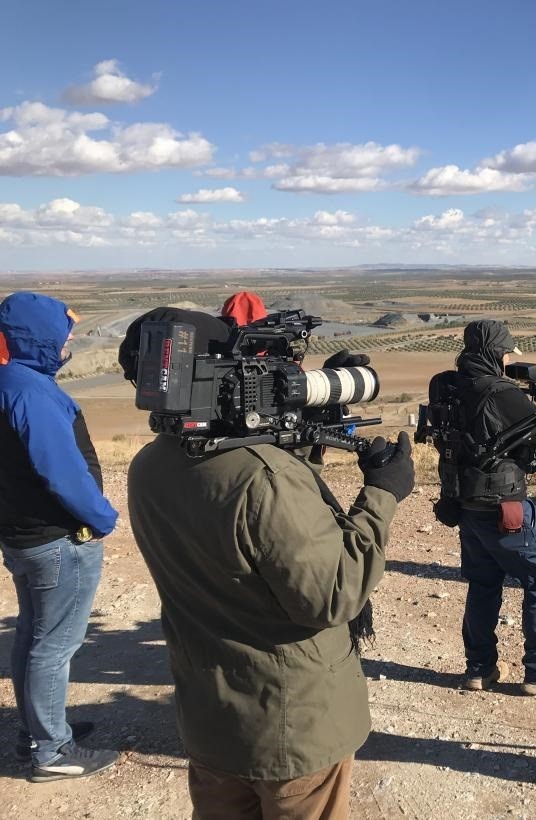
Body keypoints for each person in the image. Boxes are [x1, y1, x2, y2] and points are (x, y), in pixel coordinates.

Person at [126, 311, 415, 819]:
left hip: (212, 719)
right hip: (289, 724)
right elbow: (333, 594)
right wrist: (383, 494)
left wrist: (307, 418)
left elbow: (249, 523)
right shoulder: (264, 479)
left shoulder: (151, 465)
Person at [428, 320, 536, 695]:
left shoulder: (448, 385)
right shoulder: (498, 391)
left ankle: (479, 669)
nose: (509, 360)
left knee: (483, 582)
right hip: (504, 506)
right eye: (506, 353)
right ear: (495, 352)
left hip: (465, 505)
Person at [0, 292, 120, 782]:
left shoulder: (10, 381)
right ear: (38, 337)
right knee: (54, 645)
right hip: (58, 540)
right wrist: (104, 517)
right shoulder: (30, 391)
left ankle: (38, 731)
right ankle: (52, 752)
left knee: (33, 635)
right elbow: (62, 473)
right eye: (62, 334)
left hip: (23, 536)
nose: (68, 341)